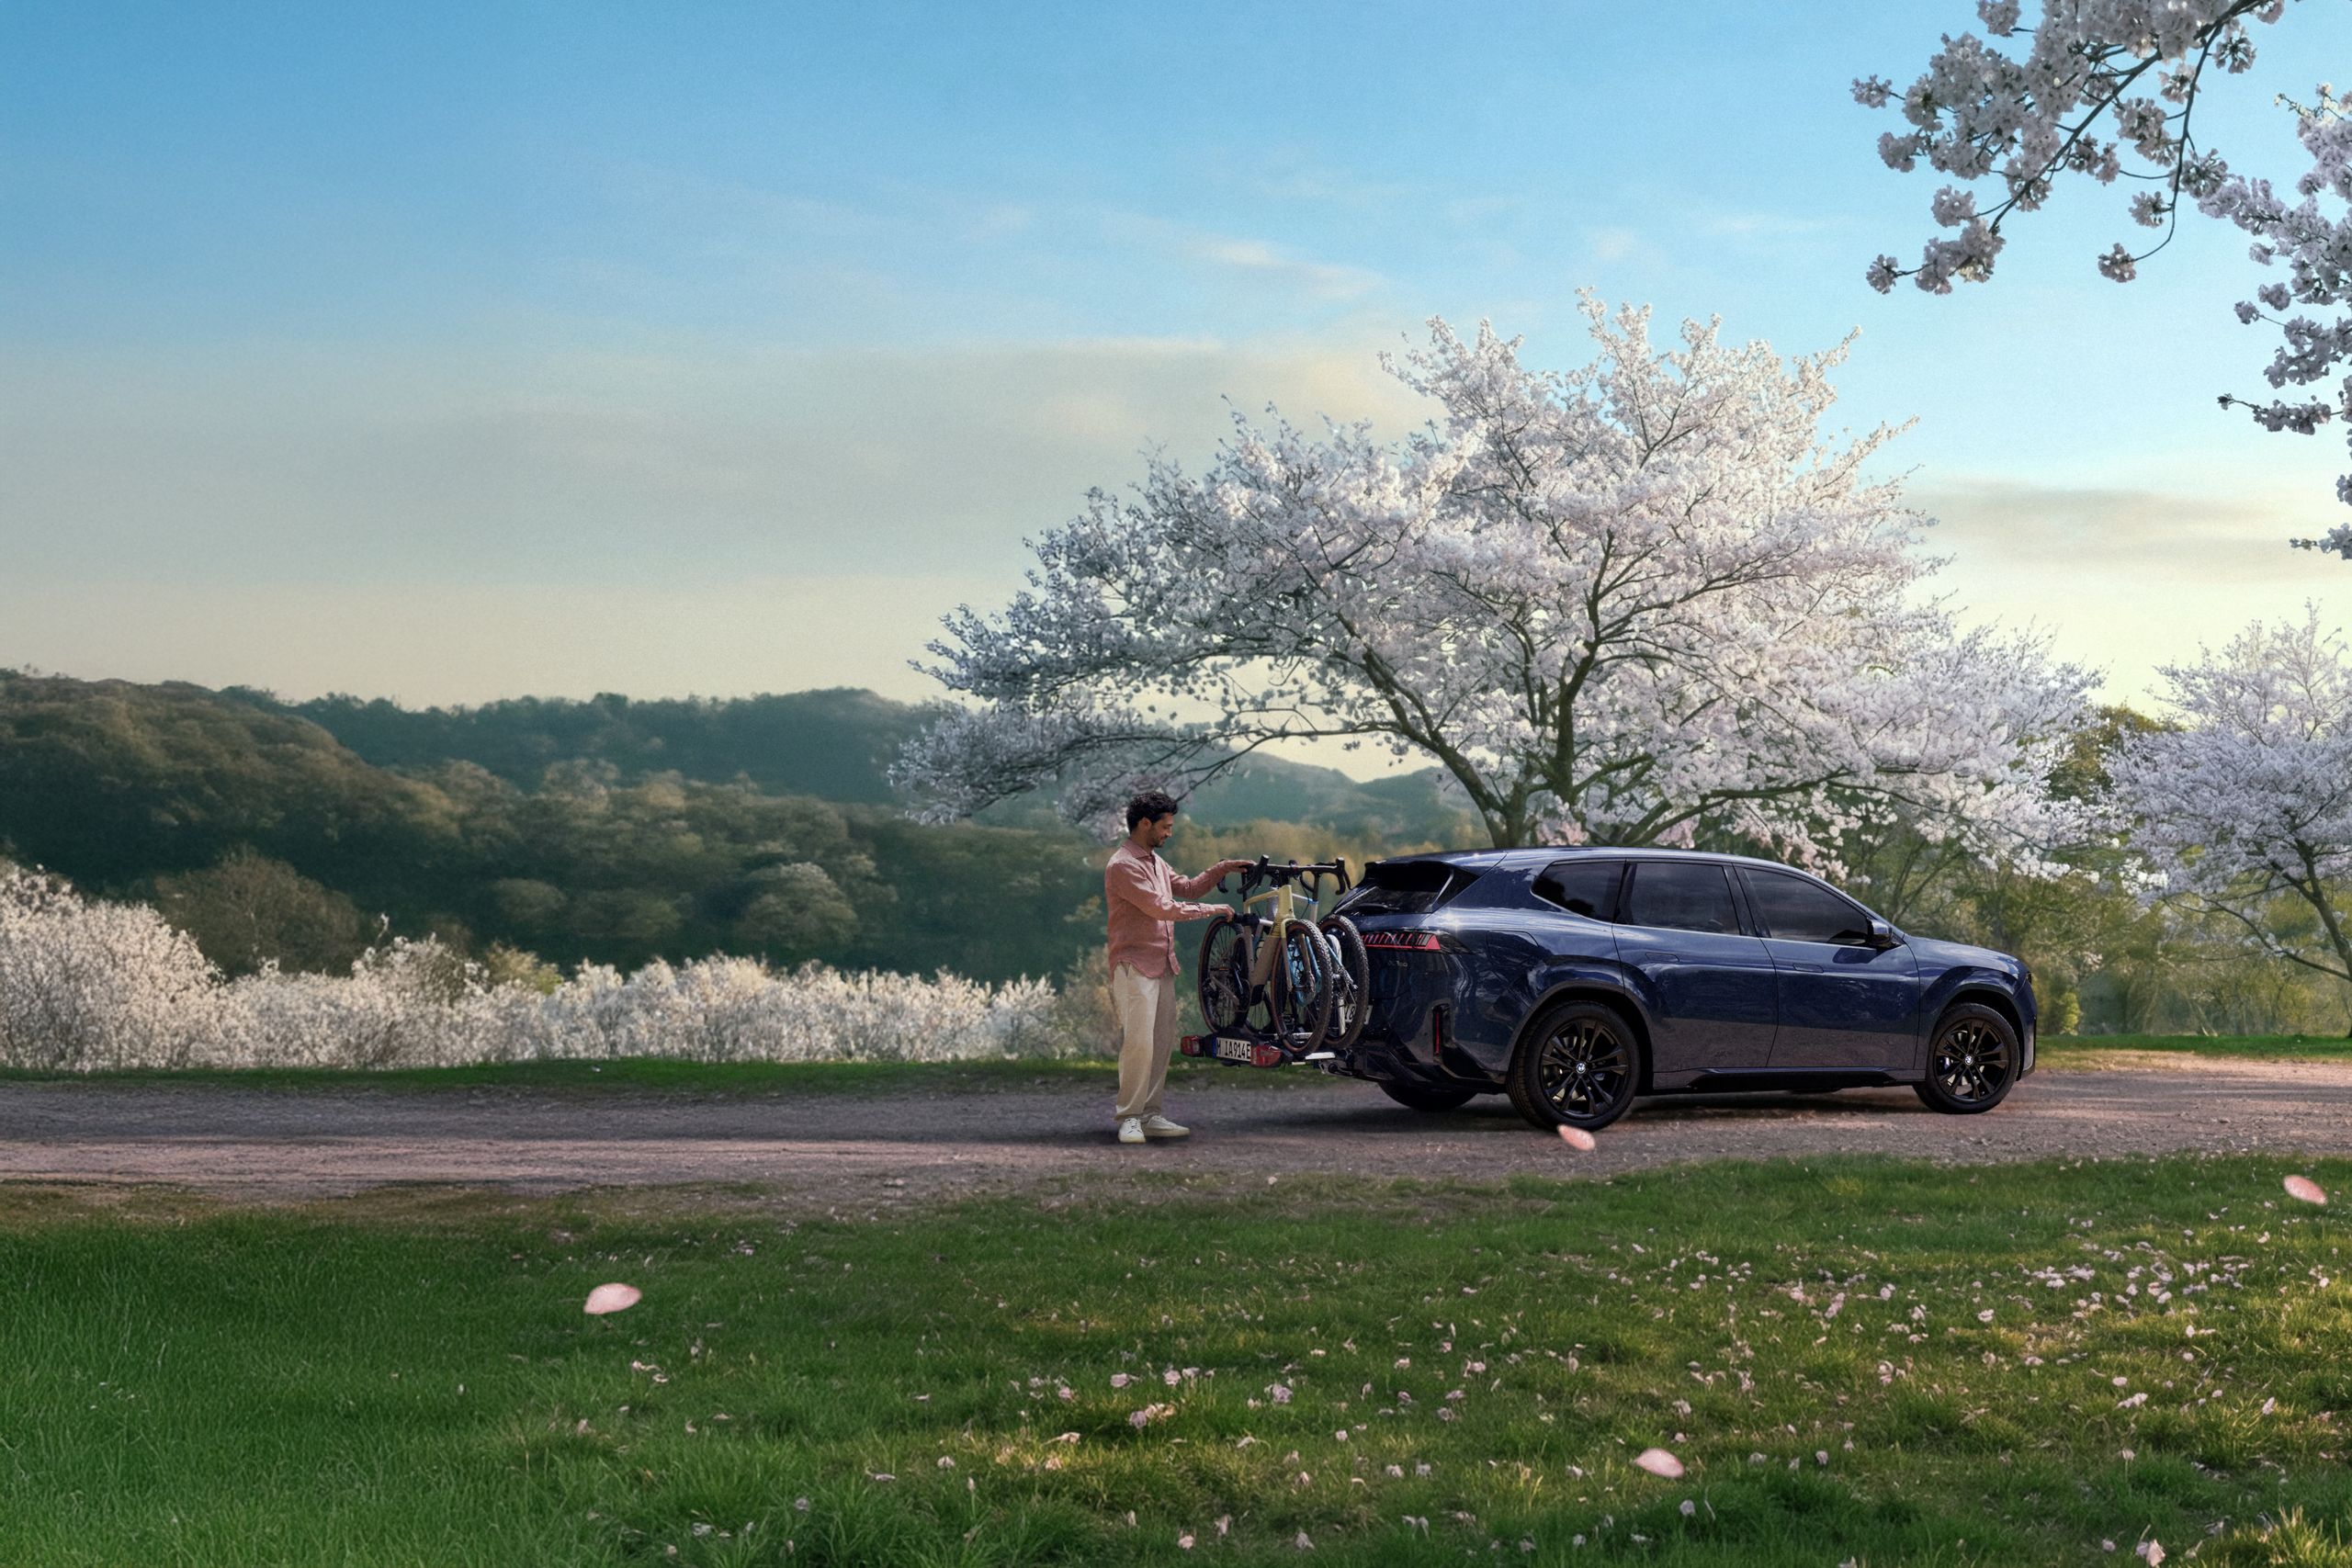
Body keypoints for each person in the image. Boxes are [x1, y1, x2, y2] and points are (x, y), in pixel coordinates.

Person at [1103, 790, 1248, 1145]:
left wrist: (1222, 869)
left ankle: (1150, 1114)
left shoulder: (1153, 861)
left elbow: (1187, 888)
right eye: (1166, 826)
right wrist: (1211, 911)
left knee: (1160, 1041)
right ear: (1145, 824)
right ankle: (1130, 1117)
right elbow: (1162, 908)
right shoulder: (1123, 865)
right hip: (1134, 964)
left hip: (1162, 963)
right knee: (1138, 1043)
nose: (1170, 833)